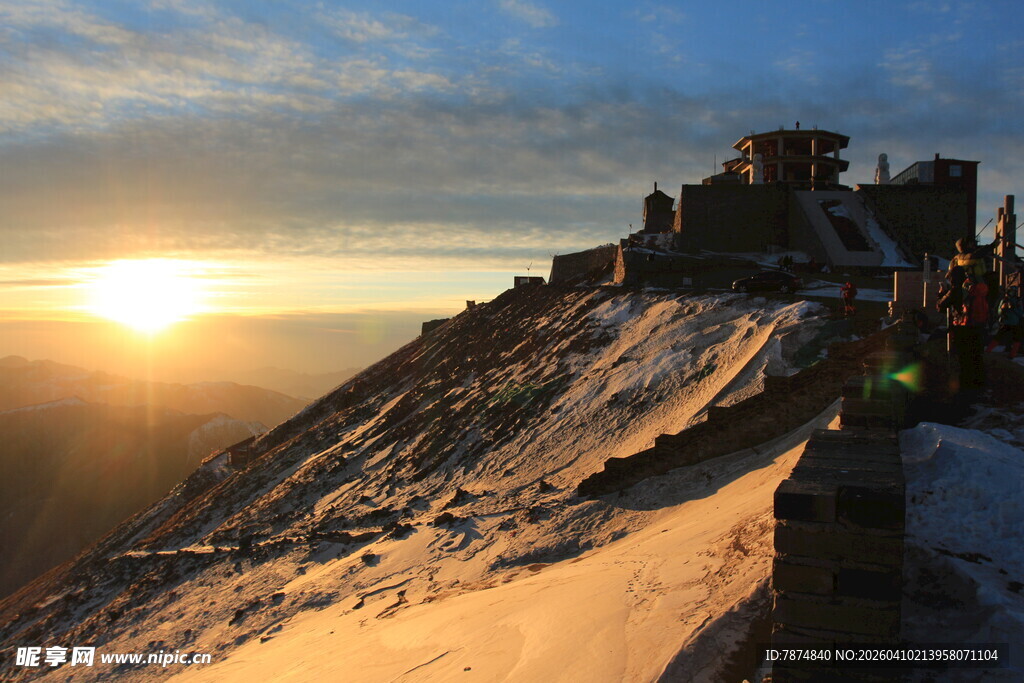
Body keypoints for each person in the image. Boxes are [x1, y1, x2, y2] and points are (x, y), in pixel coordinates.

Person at [950, 271, 989, 391]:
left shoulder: (968, 291)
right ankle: (979, 384)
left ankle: (967, 386)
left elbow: (948, 304)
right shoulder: (982, 292)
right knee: (976, 356)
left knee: (966, 357)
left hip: (966, 326)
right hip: (979, 326)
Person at [986, 284, 1024, 358]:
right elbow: (998, 311)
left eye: (1012, 292)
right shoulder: (1004, 300)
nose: (1010, 293)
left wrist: (1013, 308)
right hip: (1005, 322)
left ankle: (1012, 354)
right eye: (1010, 291)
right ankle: (988, 350)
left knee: (1017, 339)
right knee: (998, 337)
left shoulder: (1017, 301)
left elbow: (1021, 313)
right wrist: (1003, 308)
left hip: (1015, 323)